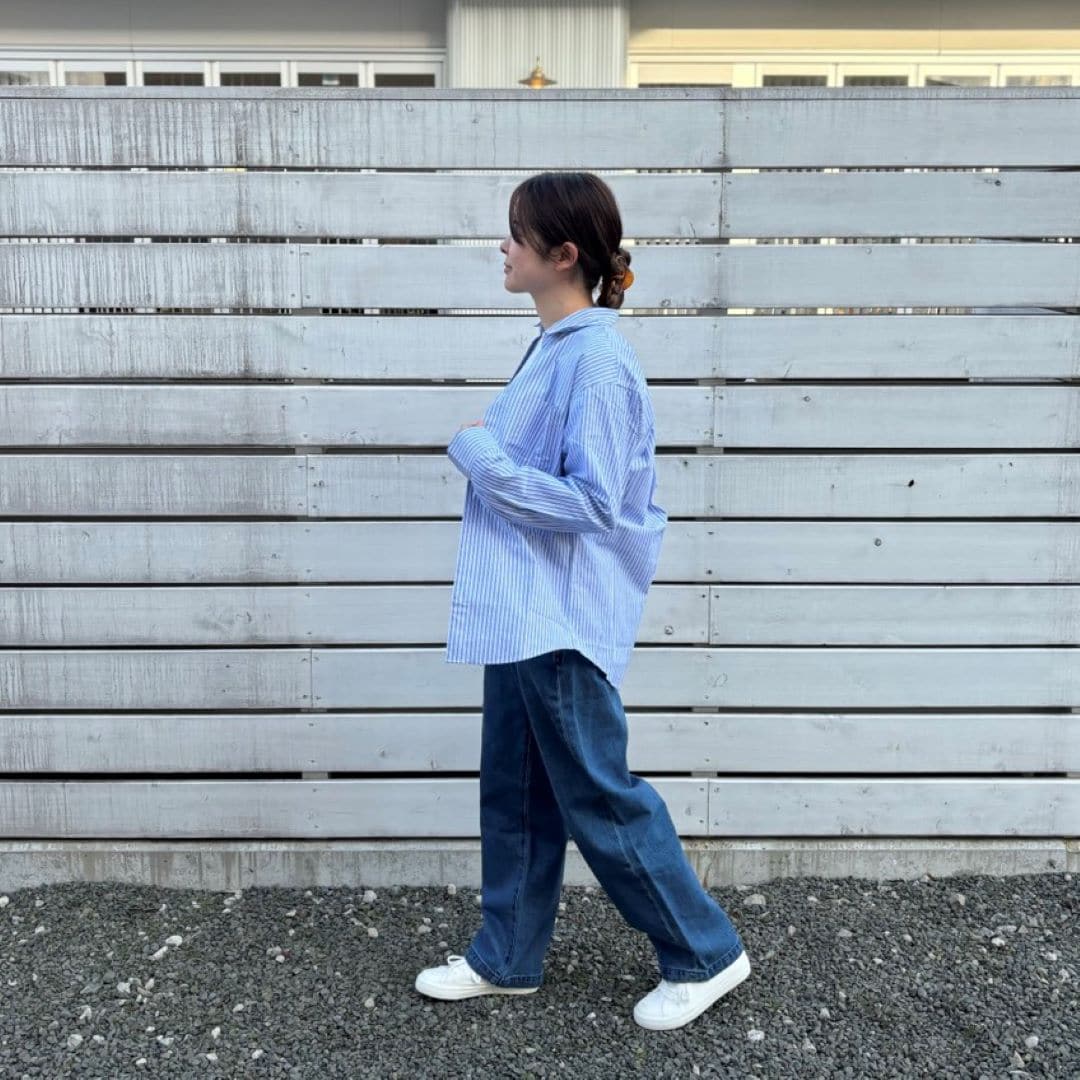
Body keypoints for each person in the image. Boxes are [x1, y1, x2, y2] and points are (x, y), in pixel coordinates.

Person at [414, 171, 750, 1030]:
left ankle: (706, 953)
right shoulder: (557, 346)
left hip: (557, 618)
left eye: (516, 233)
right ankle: (507, 958)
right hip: (521, 613)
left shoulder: (596, 362)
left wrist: (480, 455)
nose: (503, 247)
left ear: (563, 254)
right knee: (516, 793)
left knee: (599, 794)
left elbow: (595, 505)